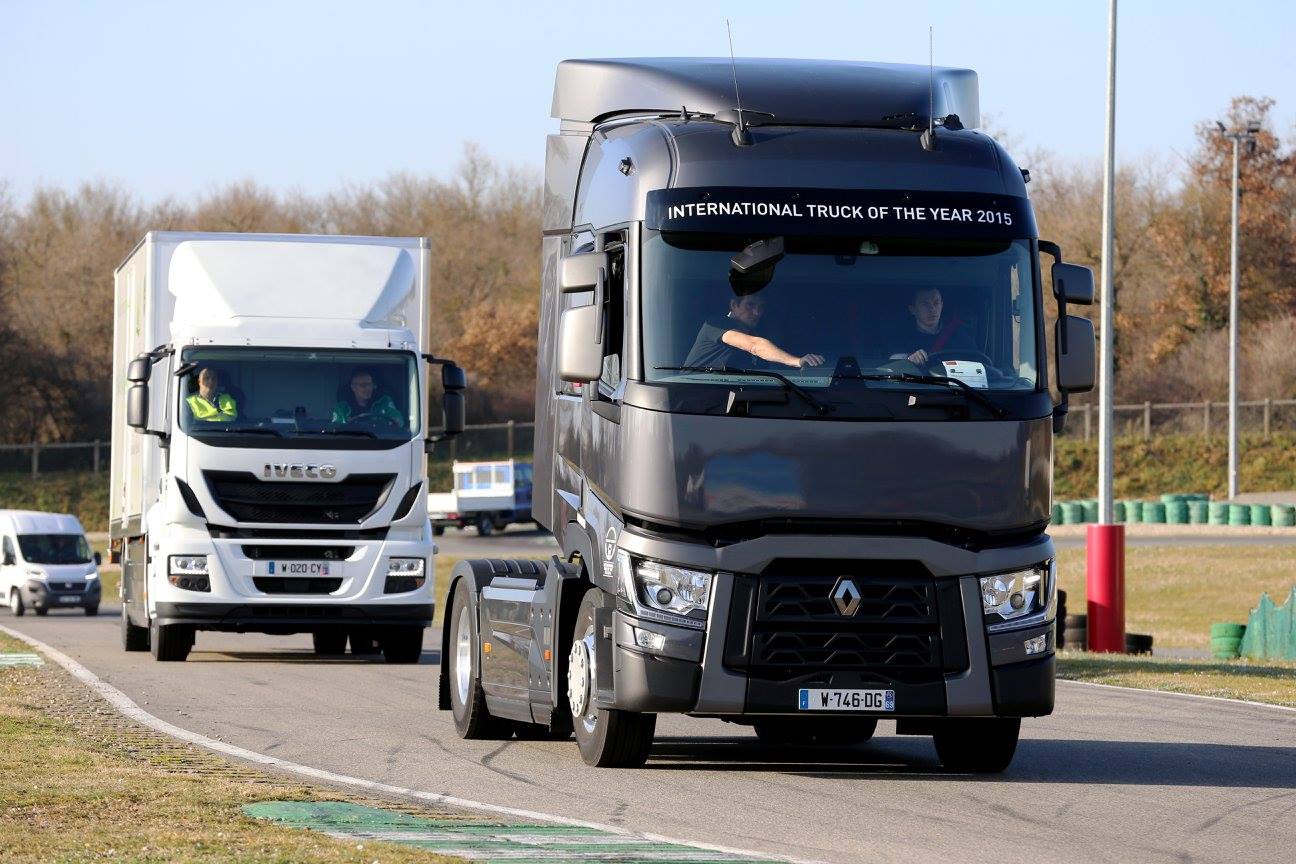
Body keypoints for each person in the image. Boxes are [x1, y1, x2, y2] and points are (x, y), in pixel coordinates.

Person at [684, 290, 824, 371]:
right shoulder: (716, 323)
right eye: (750, 305)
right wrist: (797, 361)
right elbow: (754, 345)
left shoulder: (755, 338)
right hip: (690, 397)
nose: (757, 312)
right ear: (734, 304)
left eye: (761, 307)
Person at [889, 286, 976, 366]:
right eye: (925, 304)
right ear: (913, 310)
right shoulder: (902, 336)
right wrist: (908, 358)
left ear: (942, 306)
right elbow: (891, 361)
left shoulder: (958, 334)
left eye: (936, 303)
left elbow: (977, 363)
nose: (932, 309)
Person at [332, 369, 403, 426]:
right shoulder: (342, 407)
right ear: (353, 387)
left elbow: (398, 421)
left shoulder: (384, 401)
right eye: (363, 385)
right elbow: (336, 428)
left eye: (370, 384)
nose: (368, 388)